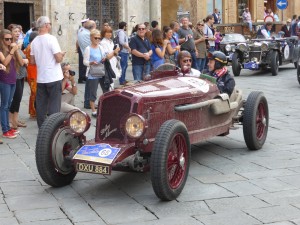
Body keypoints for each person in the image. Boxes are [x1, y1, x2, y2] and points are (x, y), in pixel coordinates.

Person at [30, 16, 66, 128]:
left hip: (41, 78)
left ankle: (42, 128)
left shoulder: (34, 41)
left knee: (41, 105)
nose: (50, 25)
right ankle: (53, 128)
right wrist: (62, 54)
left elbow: (32, 61)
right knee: (54, 105)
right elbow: (58, 59)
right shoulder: (51, 39)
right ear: (46, 25)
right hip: (53, 77)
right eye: (50, 23)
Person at [0, 29, 24, 138]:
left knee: (8, 104)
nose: (9, 41)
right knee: (4, 105)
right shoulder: (1, 50)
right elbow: (5, 62)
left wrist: (16, 50)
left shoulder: (12, 48)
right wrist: (11, 51)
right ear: (2, 39)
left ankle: (9, 128)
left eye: (10, 39)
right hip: (4, 80)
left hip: (13, 79)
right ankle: (5, 130)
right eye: (6, 39)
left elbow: (21, 62)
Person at [83, 29, 109, 117]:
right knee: (93, 93)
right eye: (96, 38)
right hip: (92, 73)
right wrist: (90, 63)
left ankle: (104, 108)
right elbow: (84, 62)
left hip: (101, 71)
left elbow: (104, 56)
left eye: (99, 38)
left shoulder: (101, 47)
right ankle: (94, 111)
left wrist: (104, 58)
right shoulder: (88, 49)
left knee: (106, 91)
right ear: (91, 38)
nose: (98, 40)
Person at [9, 25, 29, 130]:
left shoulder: (17, 44)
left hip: (21, 75)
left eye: (19, 31)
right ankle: (12, 121)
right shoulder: (12, 45)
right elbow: (21, 62)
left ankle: (15, 120)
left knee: (19, 98)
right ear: (10, 33)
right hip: (15, 75)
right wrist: (25, 61)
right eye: (15, 31)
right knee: (16, 98)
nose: (17, 33)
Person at [77, 20, 96, 109]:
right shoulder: (88, 35)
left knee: (90, 83)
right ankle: (88, 102)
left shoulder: (81, 31)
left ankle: (88, 101)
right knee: (91, 84)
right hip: (91, 60)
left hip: (87, 57)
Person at [23, 31, 38, 118]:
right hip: (33, 71)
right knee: (35, 92)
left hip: (32, 71)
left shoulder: (29, 46)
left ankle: (33, 111)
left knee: (34, 93)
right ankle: (33, 112)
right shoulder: (32, 46)